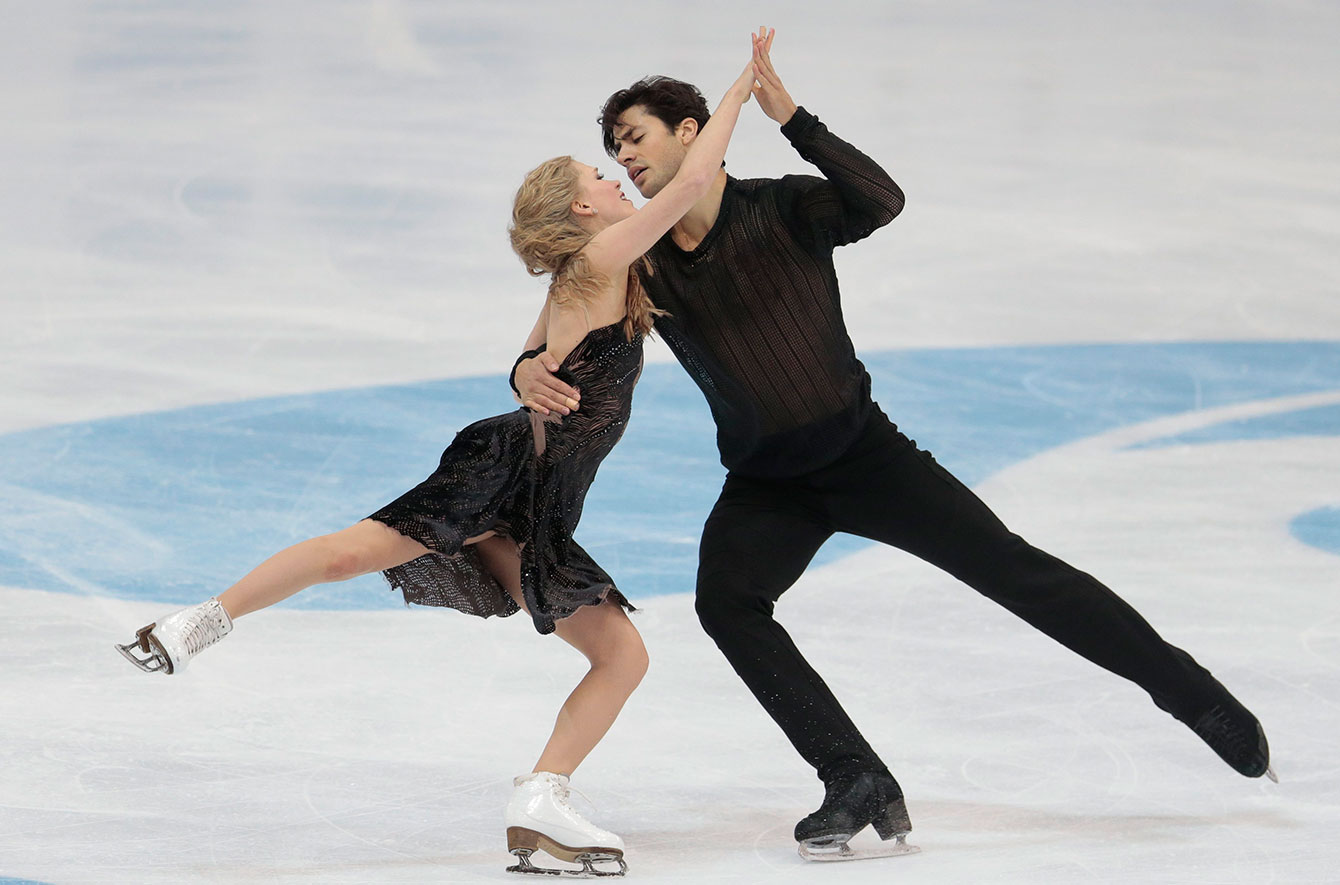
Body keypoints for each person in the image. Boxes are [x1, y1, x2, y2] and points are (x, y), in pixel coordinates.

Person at [514, 28, 1275, 860]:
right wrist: (524, 372)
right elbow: (547, 328)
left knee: (1019, 574)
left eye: (635, 138)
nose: (624, 159)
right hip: (767, 482)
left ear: (690, 132)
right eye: (613, 151)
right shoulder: (639, 261)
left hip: (866, 457)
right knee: (728, 604)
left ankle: (1193, 695)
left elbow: (881, 200)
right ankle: (853, 774)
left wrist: (795, 118)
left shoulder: (783, 206)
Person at [115, 40, 762, 878]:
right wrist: (740, 90)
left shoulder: (588, 270)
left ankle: (199, 623)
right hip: (509, 470)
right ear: (584, 211)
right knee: (612, 650)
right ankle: (539, 791)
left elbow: (526, 359)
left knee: (396, 567)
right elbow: (690, 184)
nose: (615, 179)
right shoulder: (601, 257)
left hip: (535, 493)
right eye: (598, 178)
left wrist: (527, 370)